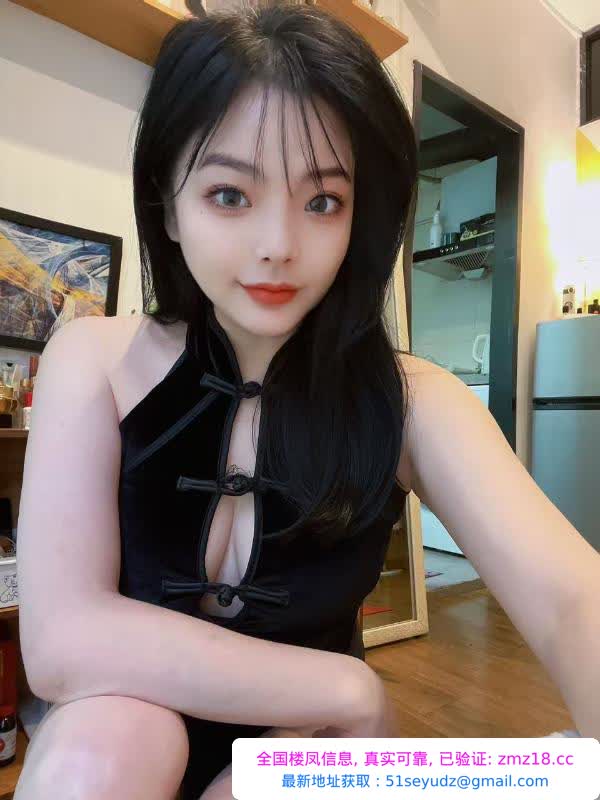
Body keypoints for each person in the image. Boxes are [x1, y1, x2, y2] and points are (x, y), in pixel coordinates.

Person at [13, 3, 600, 800]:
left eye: (323, 202)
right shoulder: (92, 358)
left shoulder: (415, 400)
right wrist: (347, 687)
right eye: (230, 194)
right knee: (105, 748)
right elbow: (61, 642)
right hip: (131, 723)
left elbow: (572, 600)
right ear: (167, 204)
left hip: (305, 749)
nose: (278, 245)